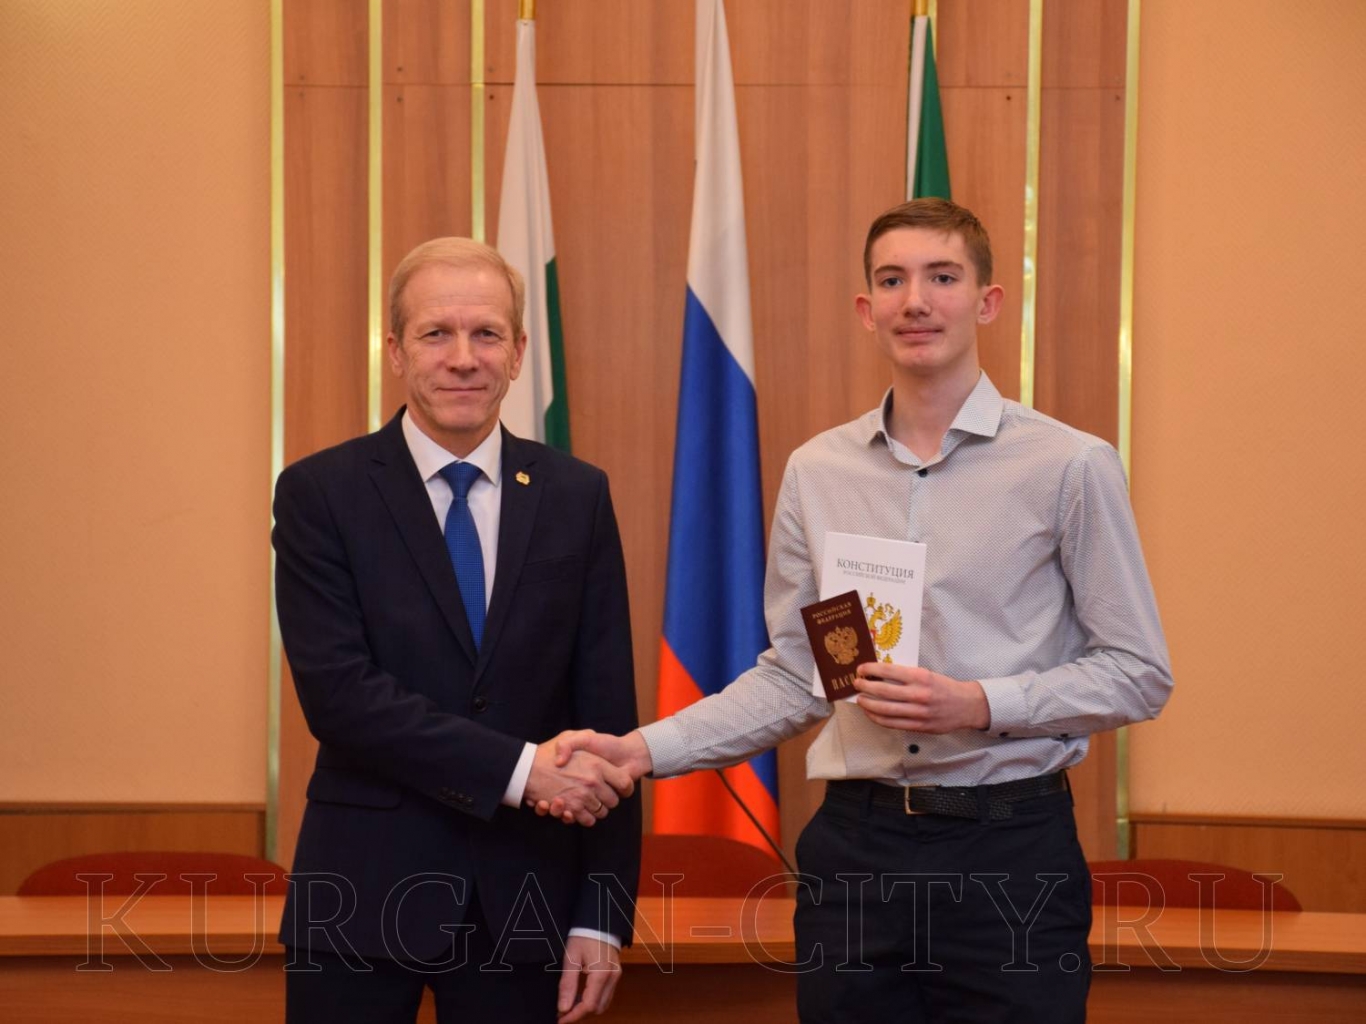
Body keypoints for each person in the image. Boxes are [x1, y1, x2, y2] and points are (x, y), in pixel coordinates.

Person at [547, 199, 1173, 1022]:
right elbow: (799, 677)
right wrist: (638, 751)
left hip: (1009, 852)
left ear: (987, 301)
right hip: (856, 855)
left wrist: (979, 703)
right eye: (892, 280)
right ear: (866, 308)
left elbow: (1137, 672)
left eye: (942, 277)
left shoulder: (1069, 466)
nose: (916, 301)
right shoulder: (819, 472)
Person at [272, 237, 640, 1023]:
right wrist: (522, 770)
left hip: (527, 900)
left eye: (487, 334)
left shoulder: (577, 495)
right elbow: (340, 697)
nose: (464, 358)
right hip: (362, 893)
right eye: (437, 333)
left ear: (519, 353)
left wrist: (601, 915)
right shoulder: (321, 493)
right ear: (396, 351)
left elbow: (607, 717)